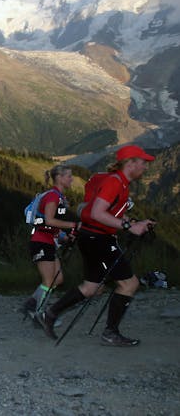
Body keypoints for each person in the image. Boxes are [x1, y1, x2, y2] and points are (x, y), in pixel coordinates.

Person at [37, 145, 157, 346]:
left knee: (92, 287)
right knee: (129, 284)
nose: (146, 167)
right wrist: (128, 226)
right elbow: (97, 213)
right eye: (143, 163)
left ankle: (50, 313)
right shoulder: (115, 182)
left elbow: (110, 211)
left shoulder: (117, 181)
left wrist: (136, 223)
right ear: (131, 163)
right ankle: (110, 333)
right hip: (99, 239)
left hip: (90, 237)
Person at [20, 165, 78, 320]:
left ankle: (31, 305)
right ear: (59, 177)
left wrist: (64, 237)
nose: (72, 179)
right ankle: (38, 315)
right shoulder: (53, 196)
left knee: (57, 279)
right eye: (69, 176)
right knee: (48, 280)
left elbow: (51, 224)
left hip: (48, 241)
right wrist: (73, 225)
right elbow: (49, 220)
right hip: (40, 241)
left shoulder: (58, 196)